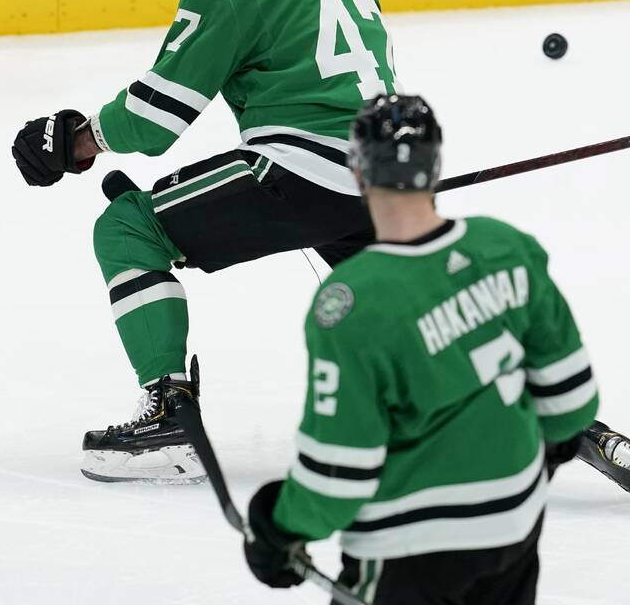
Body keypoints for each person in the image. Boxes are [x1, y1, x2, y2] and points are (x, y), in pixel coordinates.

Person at [10, 0, 630, 497]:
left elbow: (159, 115)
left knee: (129, 229)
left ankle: (168, 420)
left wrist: (80, 140)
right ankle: (582, 428)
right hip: (375, 176)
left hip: (295, 173)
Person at [243, 94, 596, 604]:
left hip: (410, 548)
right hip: (515, 524)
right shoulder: (506, 247)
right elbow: (572, 404)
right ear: (435, 165)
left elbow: (339, 476)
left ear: (357, 171)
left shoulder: (350, 302)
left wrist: (279, 527)